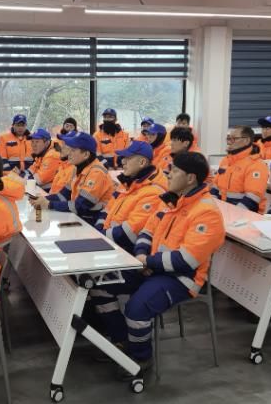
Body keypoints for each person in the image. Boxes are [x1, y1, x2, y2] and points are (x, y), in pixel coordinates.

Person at [90, 152, 225, 378]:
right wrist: (142, 256)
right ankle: (122, 339)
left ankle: (141, 358)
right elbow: (146, 232)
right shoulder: (171, 201)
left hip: (181, 278)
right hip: (151, 268)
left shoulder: (206, 212)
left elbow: (187, 260)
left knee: (136, 309)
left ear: (190, 178)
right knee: (99, 284)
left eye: (174, 171)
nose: (168, 174)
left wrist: (148, 262)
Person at [94, 141, 166, 252]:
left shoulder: (154, 192)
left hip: (126, 252)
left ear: (142, 162)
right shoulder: (129, 182)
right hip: (109, 243)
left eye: (128, 158)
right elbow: (107, 210)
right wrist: (98, 230)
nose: (123, 161)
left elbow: (130, 233)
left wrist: (100, 237)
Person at [29, 132, 113, 225]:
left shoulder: (97, 173)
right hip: (80, 218)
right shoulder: (77, 168)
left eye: (73, 150)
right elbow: (63, 196)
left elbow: (80, 206)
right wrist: (41, 200)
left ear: (86, 154)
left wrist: (49, 204)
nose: (69, 153)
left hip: (93, 222)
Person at [211, 126, 269, 213]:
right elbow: (215, 188)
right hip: (223, 211)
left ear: (246, 141)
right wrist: (212, 208)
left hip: (246, 215)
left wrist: (230, 215)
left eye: (234, 139)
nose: (229, 142)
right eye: (229, 139)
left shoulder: (257, 165)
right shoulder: (226, 160)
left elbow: (252, 200)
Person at [46, 134, 76, 204]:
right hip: (53, 203)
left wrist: (47, 202)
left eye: (65, 144)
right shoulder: (62, 166)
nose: (62, 147)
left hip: (58, 207)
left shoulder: (74, 170)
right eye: (62, 143)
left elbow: (65, 198)